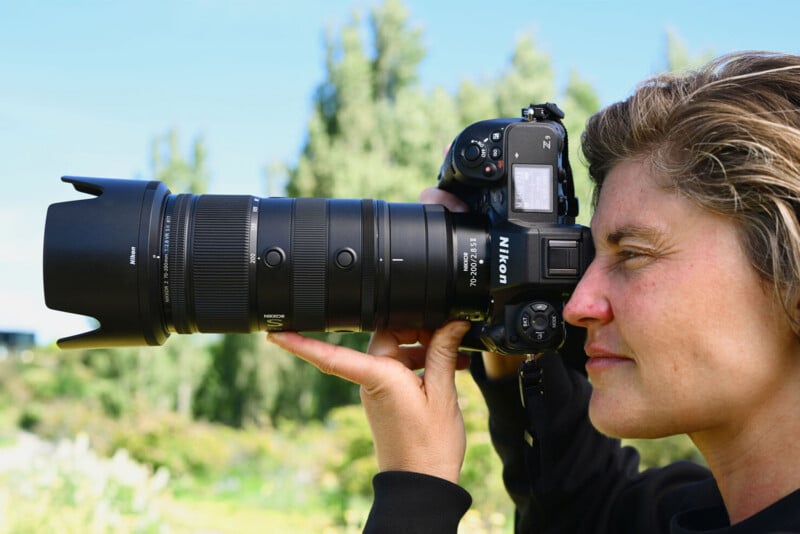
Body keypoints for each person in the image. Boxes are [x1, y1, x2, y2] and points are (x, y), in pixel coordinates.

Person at [267, 51, 800, 533]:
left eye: (632, 255)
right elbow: (582, 509)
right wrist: (505, 325)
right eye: (589, 256)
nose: (578, 304)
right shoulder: (703, 513)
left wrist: (415, 501)